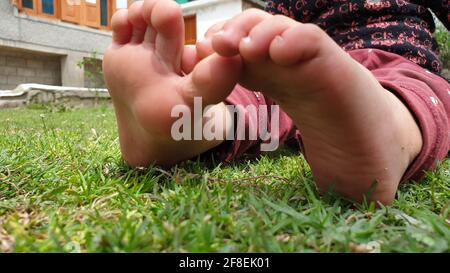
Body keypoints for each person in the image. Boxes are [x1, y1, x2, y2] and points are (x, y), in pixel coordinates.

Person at [102, 0, 449, 205]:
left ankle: (380, 129)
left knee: (405, 93)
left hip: (383, 63)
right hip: (309, 74)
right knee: (262, 87)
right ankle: (190, 125)